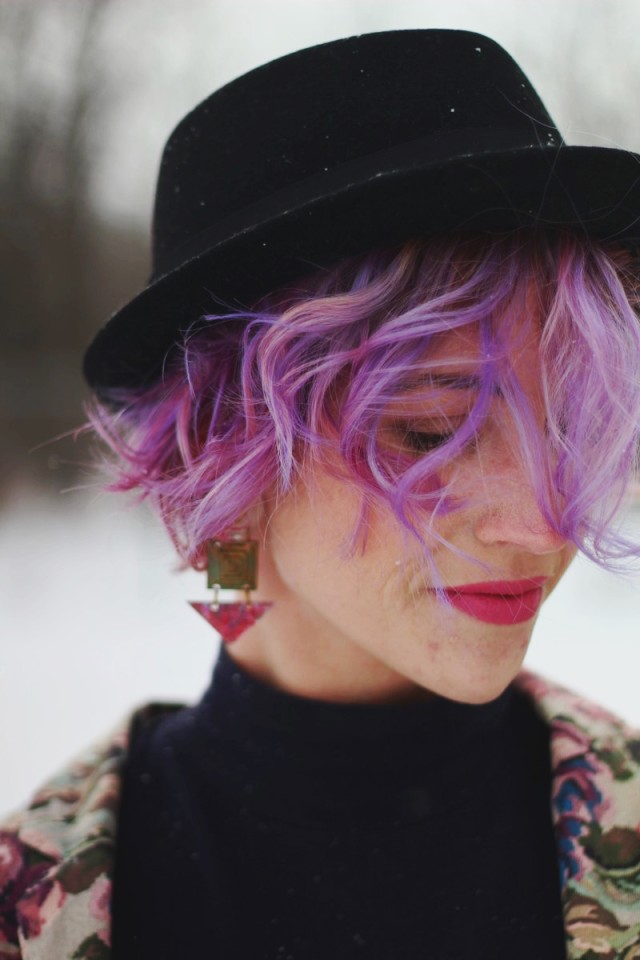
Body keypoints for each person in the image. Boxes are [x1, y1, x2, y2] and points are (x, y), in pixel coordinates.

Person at [2, 28, 640, 960]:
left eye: (567, 428)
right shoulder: (41, 903)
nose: (546, 519)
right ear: (223, 451)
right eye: (428, 433)